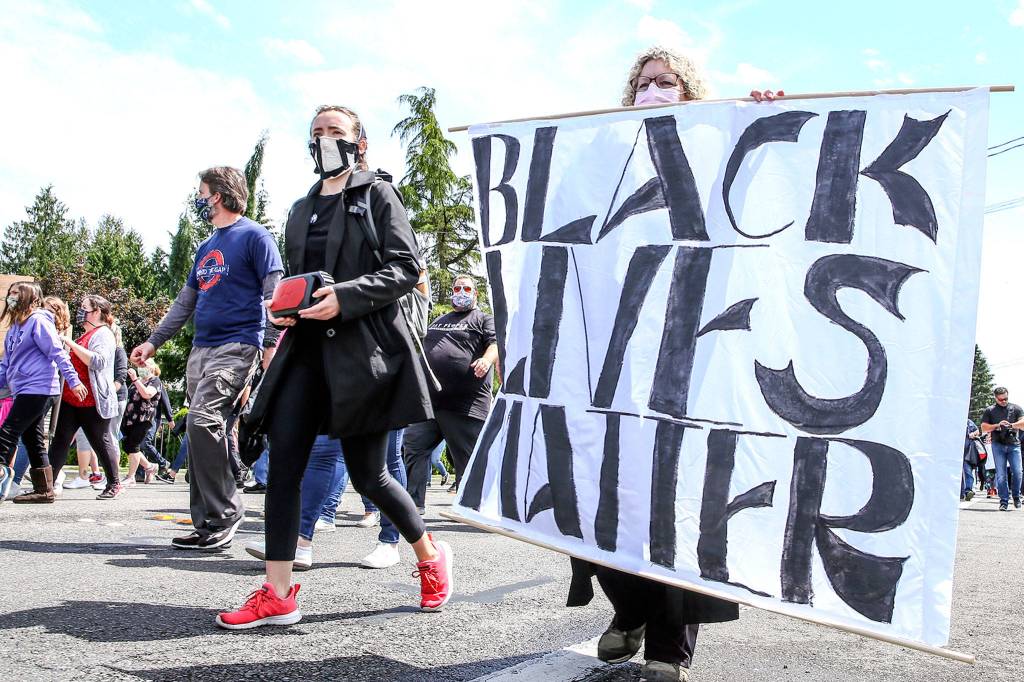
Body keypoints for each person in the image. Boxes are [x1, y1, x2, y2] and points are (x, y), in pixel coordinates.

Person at [216, 104, 452, 629]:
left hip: (363, 354)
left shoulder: (377, 195)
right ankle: (277, 593)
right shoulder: (300, 210)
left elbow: (407, 267)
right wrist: (284, 308)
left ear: (359, 142)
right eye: (317, 132)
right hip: (305, 353)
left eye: (336, 131)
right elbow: (297, 279)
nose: (325, 140)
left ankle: (428, 553)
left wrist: (343, 297)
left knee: (370, 475)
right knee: (284, 469)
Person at [568, 46, 747, 682]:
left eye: (667, 82)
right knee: (599, 490)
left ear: (691, 93)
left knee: (677, 503)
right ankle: (631, 607)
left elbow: (772, 192)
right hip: (614, 349)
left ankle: (669, 649)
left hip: (691, 348)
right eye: (643, 83)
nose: (653, 91)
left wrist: (768, 122)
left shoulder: (722, 146)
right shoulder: (606, 152)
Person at [131, 166, 284, 550]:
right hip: (202, 350)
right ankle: (207, 523)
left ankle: (227, 512)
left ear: (216, 195)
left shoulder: (256, 236)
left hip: (238, 346)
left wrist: (270, 343)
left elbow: (274, 292)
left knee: (203, 420)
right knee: (202, 434)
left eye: (201, 193)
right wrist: (152, 343)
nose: (198, 200)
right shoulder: (206, 246)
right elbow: (185, 304)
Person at [402, 274, 498, 505]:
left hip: (465, 405)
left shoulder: (484, 319)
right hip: (429, 403)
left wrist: (486, 361)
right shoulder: (439, 320)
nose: (461, 292)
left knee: (468, 458)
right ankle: (413, 505)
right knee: (413, 448)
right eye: (457, 288)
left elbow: (495, 345)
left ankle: (474, 507)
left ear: (475, 293)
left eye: (466, 288)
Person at [0, 283, 85, 503]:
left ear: (30, 297)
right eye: (10, 294)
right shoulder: (15, 328)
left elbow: (57, 352)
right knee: (32, 439)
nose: (11, 298)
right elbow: (6, 365)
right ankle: (45, 490)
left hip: (39, 388)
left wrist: (74, 381)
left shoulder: (38, 321)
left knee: (9, 430)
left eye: (16, 294)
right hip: (23, 389)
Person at [36, 295, 123, 501]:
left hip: (92, 400)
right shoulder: (86, 334)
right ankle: (47, 486)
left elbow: (99, 362)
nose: (80, 311)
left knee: (100, 441)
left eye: (85, 308)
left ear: (97, 312)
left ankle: (114, 483)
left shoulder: (103, 334)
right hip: (72, 399)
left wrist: (70, 344)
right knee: (60, 442)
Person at [120, 360, 165, 486]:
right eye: (140, 366)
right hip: (129, 418)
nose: (141, 368)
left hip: (143, 419)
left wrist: (135, 379)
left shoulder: (155, 381)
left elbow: (147, 394)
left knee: (134, 445)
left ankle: (131, 477)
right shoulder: (138, 381)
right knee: (127, 446)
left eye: (144, 365)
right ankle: (149, 467)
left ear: (152, 367)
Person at [980, 386, 1024, 511]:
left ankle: (1016, 496)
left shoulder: (1016, 408)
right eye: (1000, 399)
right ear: (995, 398)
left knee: (1018, 472)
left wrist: (1012, 425)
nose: (1003, 401)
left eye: (1005, 398)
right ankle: (1003, 500)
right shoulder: (990, 410)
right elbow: (984, 427)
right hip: (997, 445)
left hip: (1014, 445)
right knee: (1001, 475)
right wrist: (997, 425)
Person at [962, 419, 981, 501]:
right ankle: (960, 492)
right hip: (953, 452)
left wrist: (973, 434)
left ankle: (968, 491)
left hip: (967, 453)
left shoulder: (968, 421)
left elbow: (977, 431)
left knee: (968, 472)